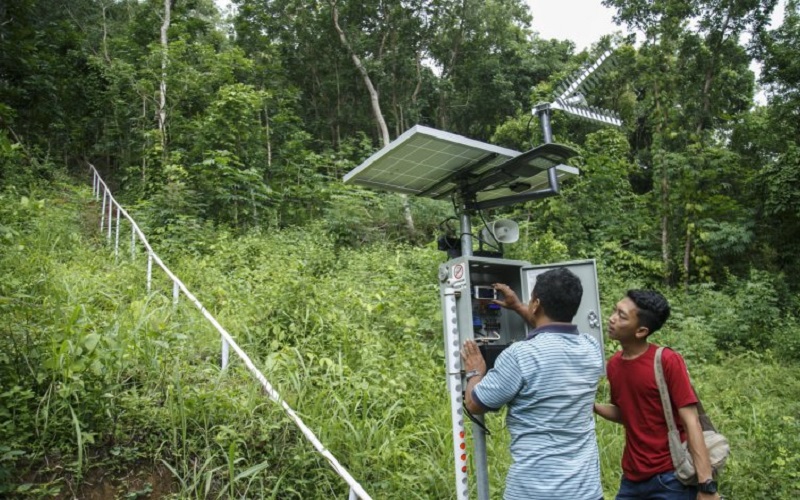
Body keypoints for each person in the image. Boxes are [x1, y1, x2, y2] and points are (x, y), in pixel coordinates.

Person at [461, 267, 605, 500]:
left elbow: (474, 403)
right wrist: (519, 306)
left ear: (536, 304)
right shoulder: (591, 348)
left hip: (534, 491)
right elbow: (552, 333)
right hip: (586, 490)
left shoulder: (520, 355)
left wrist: (475, 371)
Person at [594, 290, 721, 500]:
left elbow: (691, 422)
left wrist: (706, 485)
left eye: (621, 316)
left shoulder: (667, 361)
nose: (612, 318)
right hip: (631, 478)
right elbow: (626, 413)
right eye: (615, 311)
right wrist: (593, 406)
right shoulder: (614, 365)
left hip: (671, 478)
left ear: (641, 331)